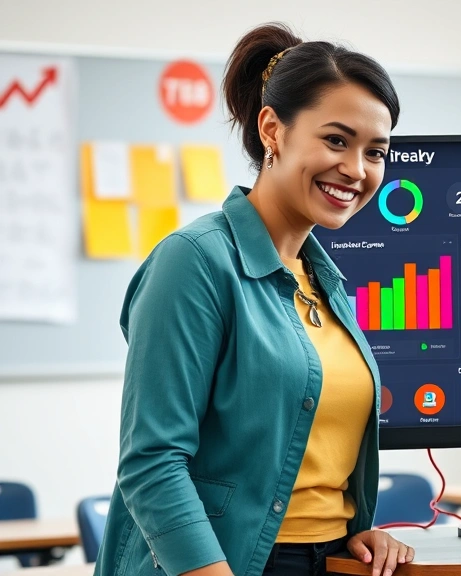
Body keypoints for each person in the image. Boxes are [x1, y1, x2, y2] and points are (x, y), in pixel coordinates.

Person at [94, 23, 413, 576]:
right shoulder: (194, 261)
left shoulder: (325, 281)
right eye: (336, 140)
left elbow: (306, 459)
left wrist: (354, 533)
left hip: (328, 561)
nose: (357, 170)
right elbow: (152, 463)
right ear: (272, 129)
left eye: (375, 152)